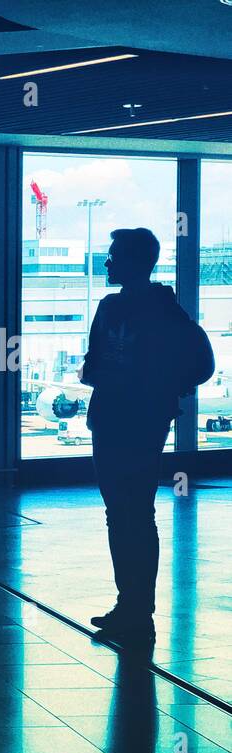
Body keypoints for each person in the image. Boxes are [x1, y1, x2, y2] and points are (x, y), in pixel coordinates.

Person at [81, 227, 213, 643]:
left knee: (127, 512)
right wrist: (166, 388)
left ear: (134, 262)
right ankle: (134, 606)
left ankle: (134, 607)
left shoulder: (130, 310)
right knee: (130, 512)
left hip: (120, 419)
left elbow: (92, 364)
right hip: (136, 420)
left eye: (113, 255)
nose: (107, 262)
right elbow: (200, 364)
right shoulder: (162, 311)